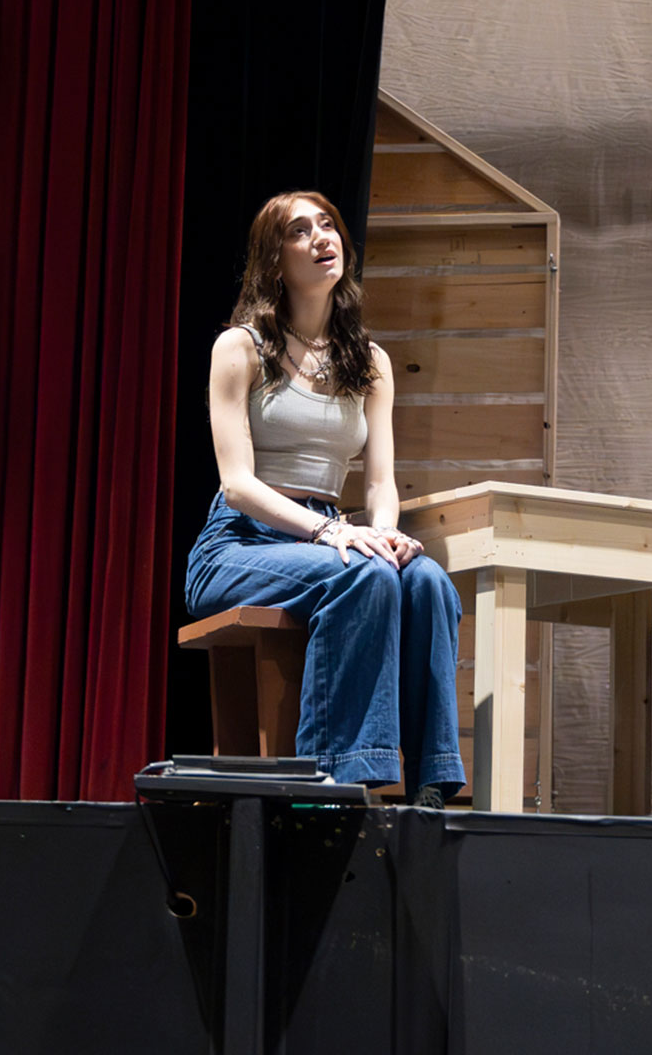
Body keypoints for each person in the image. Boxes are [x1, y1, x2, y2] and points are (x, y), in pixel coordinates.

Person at [184, 191, 466, 805]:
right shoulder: (241, 348)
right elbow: (237, 485)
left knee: (426, 583)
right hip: (240, 542)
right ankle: (333, 782)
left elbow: (380, 482)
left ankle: (431, 787)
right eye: (299, 230)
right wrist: (327, 533)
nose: (322, 237)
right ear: (274, 261)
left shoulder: (370, 363)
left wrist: (384, 532)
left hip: (329, 533)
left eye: (329, 225)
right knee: (362, 578)